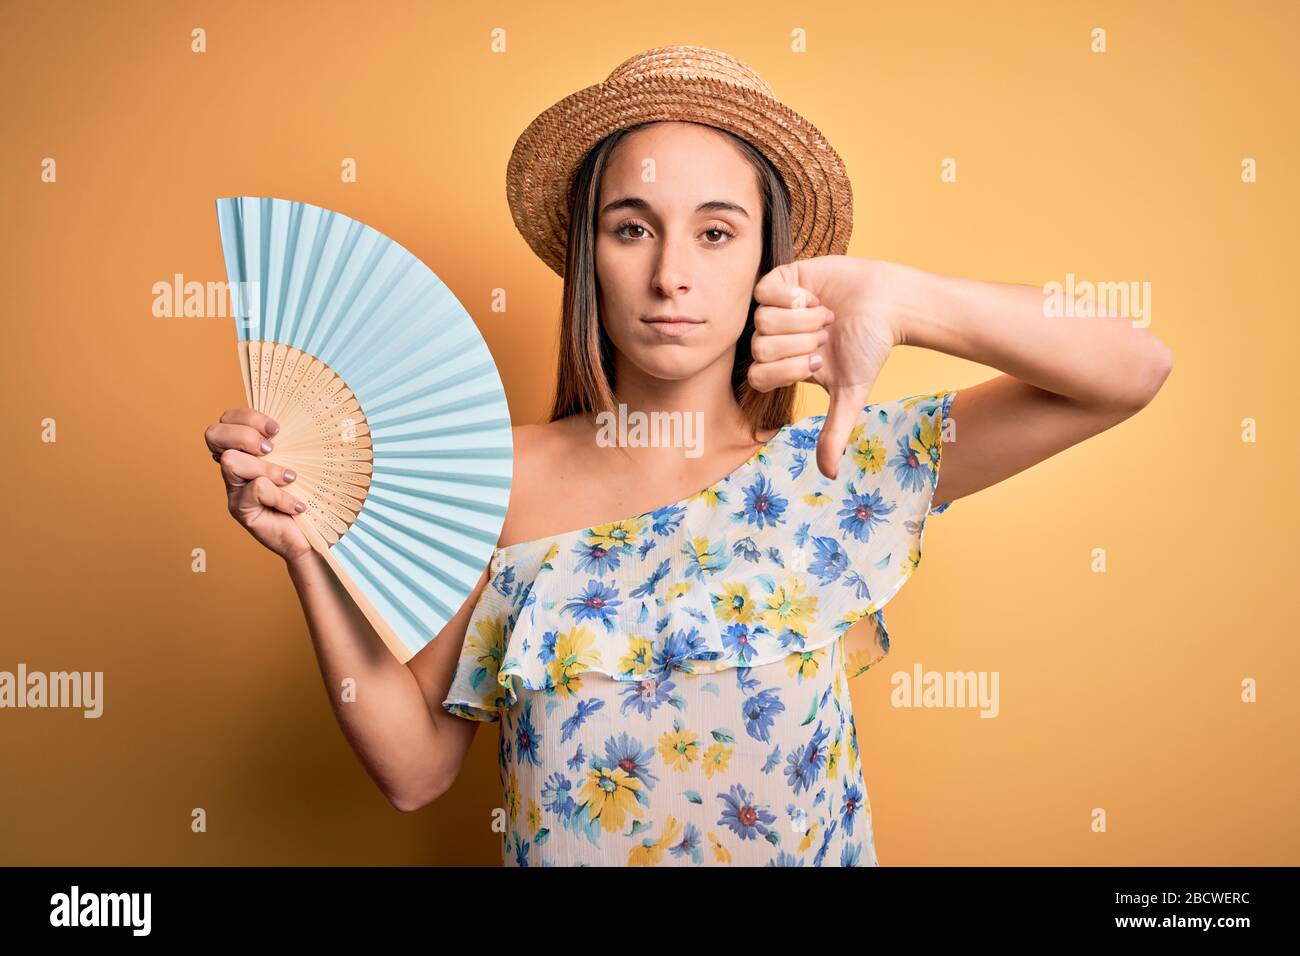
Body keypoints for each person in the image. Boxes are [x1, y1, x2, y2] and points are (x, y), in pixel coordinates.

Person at [202, 45, 1172, 866]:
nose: (671, 273)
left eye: (717, 232)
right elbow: (415, 770)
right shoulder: (490, 476)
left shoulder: (836, 466)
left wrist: (903, 300)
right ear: (592, 255)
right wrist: (309, 548)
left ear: (766, 260)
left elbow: (1130, 367)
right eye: (634, 228)